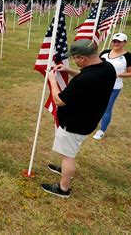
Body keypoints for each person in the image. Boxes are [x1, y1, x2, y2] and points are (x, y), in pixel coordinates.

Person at [41, 39, 116, 198]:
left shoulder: (85, 80)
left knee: (68, 156)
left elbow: (59, 100)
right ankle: (65, 168)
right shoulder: (107, 67)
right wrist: (69, 70)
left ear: (83, 58)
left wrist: (52, 81)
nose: (74, 60)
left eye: (75, 57)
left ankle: (63, 188)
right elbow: (86, 77)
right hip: (88, 120)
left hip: (74, 123)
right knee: (70, 151)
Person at [93, 33, 131, 140]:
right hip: (98, 85)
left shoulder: (129, 57)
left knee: (107, 108)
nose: (116, 43)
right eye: (114, 41)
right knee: (94, 105)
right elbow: (97, 65)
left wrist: (117, 75)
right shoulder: (105, 53)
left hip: (114, 87)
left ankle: (102, 130)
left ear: (125, 43)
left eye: (119, 41)